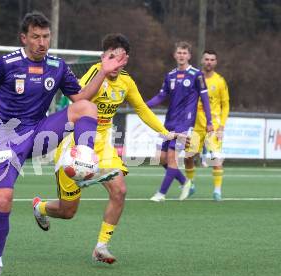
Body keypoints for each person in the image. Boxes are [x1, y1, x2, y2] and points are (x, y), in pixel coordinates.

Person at [0, 12, 127, 276]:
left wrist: (102, 72)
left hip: (40, 132)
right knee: (3, 201)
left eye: (46, 37)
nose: (42, 42)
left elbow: (82, 98)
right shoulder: (5, 64)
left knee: (87, 108)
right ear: (24, 38)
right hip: (7, 138)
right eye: (36, 37)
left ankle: (83, 159)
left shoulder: (57, 66)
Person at [32, 33, 181, 264]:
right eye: (110, 57)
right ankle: (40, 207)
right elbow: (77, 101)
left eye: (119, 58)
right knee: (67, 211)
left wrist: (166, 133)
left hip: (103, 144)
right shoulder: (94, 74)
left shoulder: (126, 82)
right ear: (103, 57)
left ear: (126, 60)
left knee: (120, 190)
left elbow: (142, 109)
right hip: (76, 142)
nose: (114, 63)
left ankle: (101, 246)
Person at [147, 41, 213, 202]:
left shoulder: (197, 75)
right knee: (161, 158)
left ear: (189, 56)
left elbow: (204, 99)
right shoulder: (170, 75)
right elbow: (162, 96)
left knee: (172, 158)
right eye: (179, 53)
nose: (182, 55)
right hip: (169, 122)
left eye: (185, 53)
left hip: (185, 123)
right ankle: (185, 182)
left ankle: (161, 194)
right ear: (175, 55)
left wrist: (209, 121)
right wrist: (143, 105)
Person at [184, 50, 230, 201]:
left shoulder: (220, 81)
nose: (209, 62)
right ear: (202, 61)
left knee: (216, 159)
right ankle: (190, 184)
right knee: (188, 157)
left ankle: (217, 191)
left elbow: (225, 105)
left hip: (213, 127)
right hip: (196, 126)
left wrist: (222, 125)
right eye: (207, 59)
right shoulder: (194, 78)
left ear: (215, 62)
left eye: (212, 59)